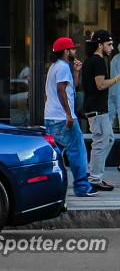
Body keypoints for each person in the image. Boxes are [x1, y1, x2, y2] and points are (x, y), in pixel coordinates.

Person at [44, 37, 97, 197]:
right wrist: (68, 114)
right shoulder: (62, 67)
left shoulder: (55, 67)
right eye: (72, 49)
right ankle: (82, 187)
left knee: (56, 154)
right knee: (78, 151)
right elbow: (61, 90)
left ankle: (51, 187)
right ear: (66, 51)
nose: (75, 51)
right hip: (63, 118)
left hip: (51, 117)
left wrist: (76, 72)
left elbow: (70, 89)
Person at [82, 29, 120, 191]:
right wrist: (118, 78)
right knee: (101, 143)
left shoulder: (91, 60)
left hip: (97, 109)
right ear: (99, 45)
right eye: (109, 44)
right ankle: (95, 179)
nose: (112, 47)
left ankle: (92, 172)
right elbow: (100, 85)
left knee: (109, 139)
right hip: (96, 109)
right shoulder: (97, 61)